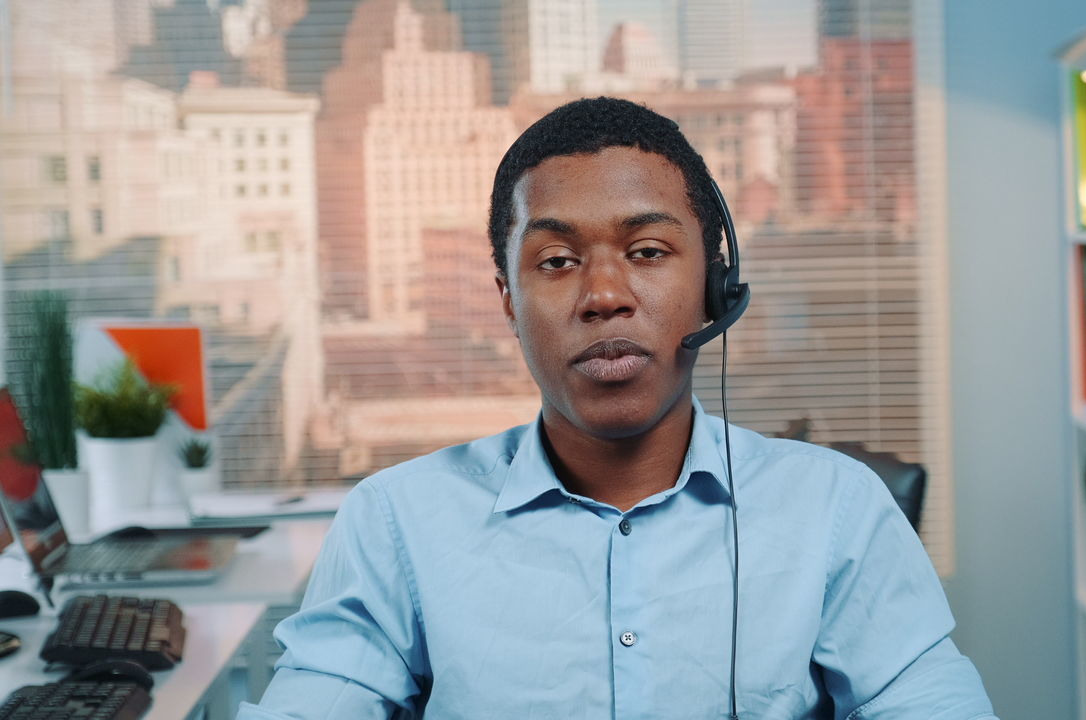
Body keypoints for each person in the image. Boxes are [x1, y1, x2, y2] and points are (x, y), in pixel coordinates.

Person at [238, 97, 996, 719]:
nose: (604, 296)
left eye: (648, 253)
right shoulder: (394, 524)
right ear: (507, 300)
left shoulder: (838, 508)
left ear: (715, 285)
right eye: (558, 262)